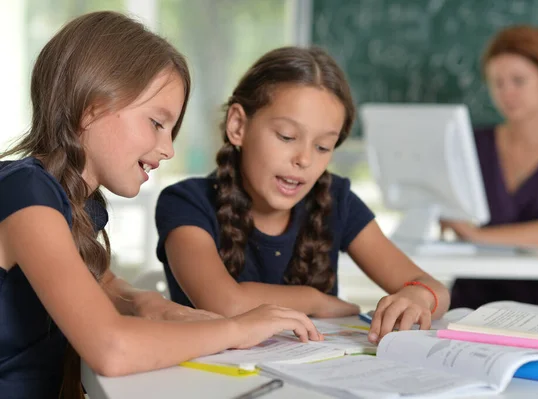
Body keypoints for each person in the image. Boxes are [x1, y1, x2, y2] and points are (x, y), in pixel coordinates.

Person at [0, 12, 322, 399]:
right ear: (91, 107)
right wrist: (239, 330)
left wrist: (152, 305)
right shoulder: (26, 193)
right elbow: (112, 348)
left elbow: (99, 284)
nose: (168, 149)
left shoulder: (75, 203)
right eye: (156, 123)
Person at [155, 46, 450, 345]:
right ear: (238, 125)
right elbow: (223, 303)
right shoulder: (185, 203)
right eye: (286, 136)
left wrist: (417, 295)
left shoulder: (337, 200)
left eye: (323, 147)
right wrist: (314, 300)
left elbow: (435, 289)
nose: (305, 159)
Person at [442, 25, 538, 309]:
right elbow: (450, 214)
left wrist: (480, 236)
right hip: (469, 307)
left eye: (518, 80)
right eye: (497, 83)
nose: (507, 93)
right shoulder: (473, 143)